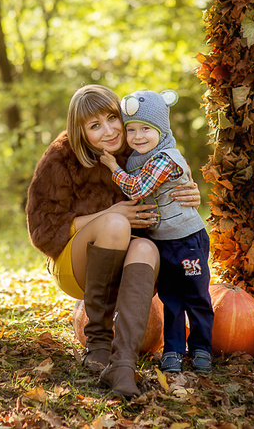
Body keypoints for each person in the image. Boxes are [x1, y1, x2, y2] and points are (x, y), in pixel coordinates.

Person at [25, 84, 201, 399]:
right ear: (80, 132)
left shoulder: (139, 147)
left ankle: (122, 363)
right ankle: (98, 343)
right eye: (95, 126)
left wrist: (189, 192)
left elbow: (170, 175)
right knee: (117, 223)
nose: (108, 131)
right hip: (75, 264)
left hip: (132, 266)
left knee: (146, 246)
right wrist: (109, 215)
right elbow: (43, 230)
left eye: (111, 118)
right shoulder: (60, 157)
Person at [99, 89, 214, 375]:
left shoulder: (165, 158)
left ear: (161, 130)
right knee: (171, 299)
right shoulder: (140, 159)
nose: (138, 136)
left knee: (196, 296)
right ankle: (173, 350)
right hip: (163, 243)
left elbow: (137, 189)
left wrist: (113, 167)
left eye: (146, 129)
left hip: (187, 240)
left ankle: (201, 348)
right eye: (132, 129)